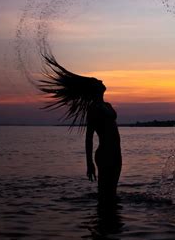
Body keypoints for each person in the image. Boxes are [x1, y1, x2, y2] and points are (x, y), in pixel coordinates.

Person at [39, 52, 122, 204]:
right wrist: (89, 163)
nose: (101, 80)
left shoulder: (107, 105)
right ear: (94, 89)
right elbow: (89, 137)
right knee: (105, 193)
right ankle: (102, 223)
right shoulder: (93, 109)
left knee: (113, 194)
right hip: (105, 154)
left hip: (117, 153)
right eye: (97, 81)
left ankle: (112, 222)